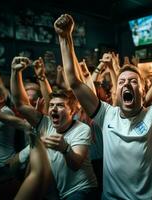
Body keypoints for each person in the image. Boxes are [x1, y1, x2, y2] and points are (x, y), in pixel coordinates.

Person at [54, 10, 152, 199]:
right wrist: (65, 37)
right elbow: (74, 81)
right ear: (118, 90)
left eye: (133, 81)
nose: (126, 84)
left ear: (142, 90)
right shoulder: (106, 114)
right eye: (122, 82)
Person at [10, 56, 98, 199]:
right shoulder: (46, 123)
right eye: (51, 105)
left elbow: (75, 164)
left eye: (60, 105)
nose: (54, 109)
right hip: (59, 191)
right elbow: (20, 104)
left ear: (72, 111)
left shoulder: (82, 129)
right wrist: (15, 72)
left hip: (82, 190)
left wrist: (66, 149)